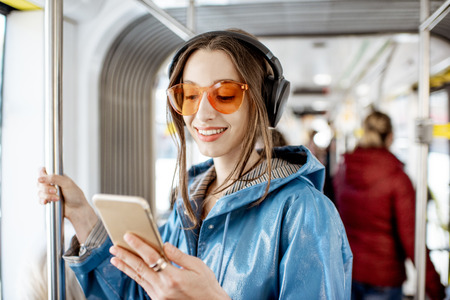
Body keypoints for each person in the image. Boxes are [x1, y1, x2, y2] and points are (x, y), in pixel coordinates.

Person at [38, 29, 353, 299]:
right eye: (189, 95)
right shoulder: (186, 203)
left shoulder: (305, 211)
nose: (202, 114)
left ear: (265, 101)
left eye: (225, 94)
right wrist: (81, 214)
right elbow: (142, 292)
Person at [333, 111, 445, 300]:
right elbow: (412, 239)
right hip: (384, 278)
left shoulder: (343, 170)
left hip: (348, 270)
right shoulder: (398, 179)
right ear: (390, 137)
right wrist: (435, 287)